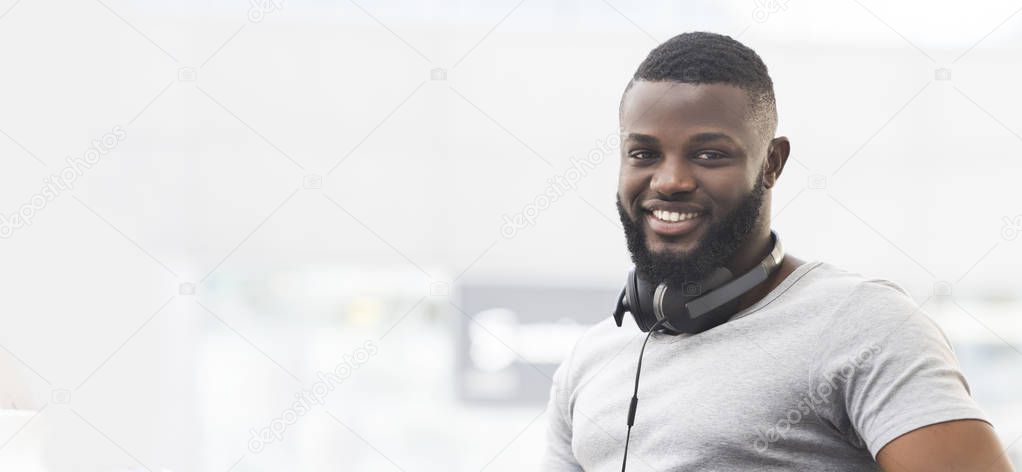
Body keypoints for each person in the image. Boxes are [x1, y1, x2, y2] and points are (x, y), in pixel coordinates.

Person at [542, 31, 1013, 471]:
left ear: (772, 163)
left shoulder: (866, 325)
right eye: (643, 154)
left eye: (709, 155)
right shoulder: (591, 359)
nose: (670, 182)